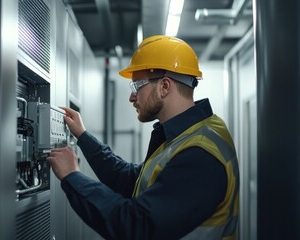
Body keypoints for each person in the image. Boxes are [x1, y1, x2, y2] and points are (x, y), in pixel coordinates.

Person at [47, 35, 239, 240]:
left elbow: (137, 225)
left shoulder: (200, 154)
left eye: (136, 86)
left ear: (165, 87)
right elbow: (132, 180)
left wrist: (72, 177)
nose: (131, 97)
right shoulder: (187, 135)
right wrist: (83, 137)